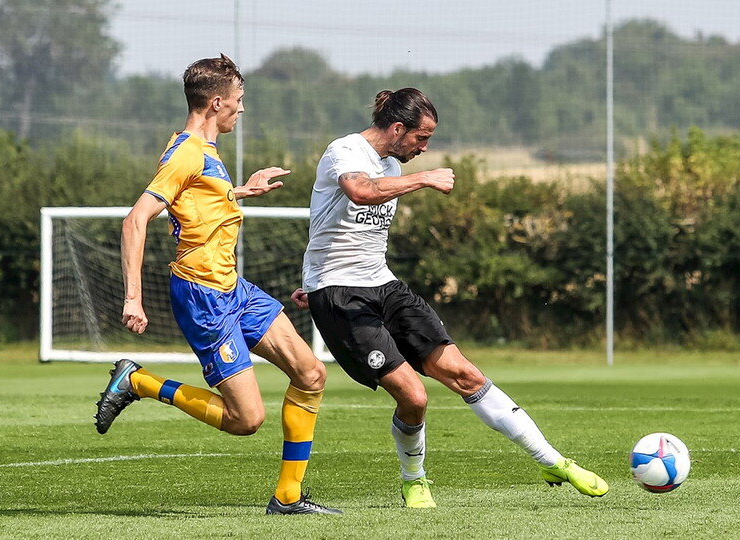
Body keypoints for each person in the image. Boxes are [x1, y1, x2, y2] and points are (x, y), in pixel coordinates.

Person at [291, 87, 608, 509]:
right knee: (414, 397)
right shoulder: (345, 150)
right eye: (421, 138)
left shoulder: (390, 164)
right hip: (339, 295)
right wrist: (424, 178)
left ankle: (553, 461)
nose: (424, 148)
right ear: (398, 128)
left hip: (382, 284)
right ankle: (414, 480)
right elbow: (360, 191)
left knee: (466, 375)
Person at [93, 54, 341, 516]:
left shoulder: (203, 151)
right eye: (238, 100)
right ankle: (139, 382)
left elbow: (194, 201)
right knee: (246, 420)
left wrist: (240, 192)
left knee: (311, 373)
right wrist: (133, 297)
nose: (242, 109)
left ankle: (288, 498)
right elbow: (135, 220)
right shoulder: (187, 151)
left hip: (233, 287)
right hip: (203, 294)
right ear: (216, 103)